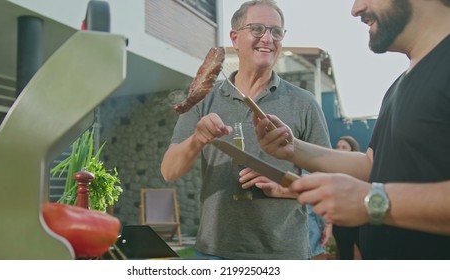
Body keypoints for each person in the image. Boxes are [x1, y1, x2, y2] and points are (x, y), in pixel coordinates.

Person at [253, 0, 450, 259]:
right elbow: (372, 165)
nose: (355, 9)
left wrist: (373, 201)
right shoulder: (398, 85)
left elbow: (372, 191)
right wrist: (293, 149)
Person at [161, 0, 331, 259]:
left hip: (285, 254)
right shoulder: (204, 98)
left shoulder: (303, 102)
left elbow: (329, 179)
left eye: (276, 32)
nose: (268, 38)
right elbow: (169, 171)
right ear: (235, 38)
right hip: (216, 253)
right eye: (257, 29)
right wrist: (197, 138)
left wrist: (287, 189)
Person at [333, 136, 362, 260]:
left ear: (353, 152)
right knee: (344, 255)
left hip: (361, 219)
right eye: (338, 147)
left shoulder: (362, 171)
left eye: (344, 147)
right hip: (340, 220)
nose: (340, 149)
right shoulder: (331, 171)